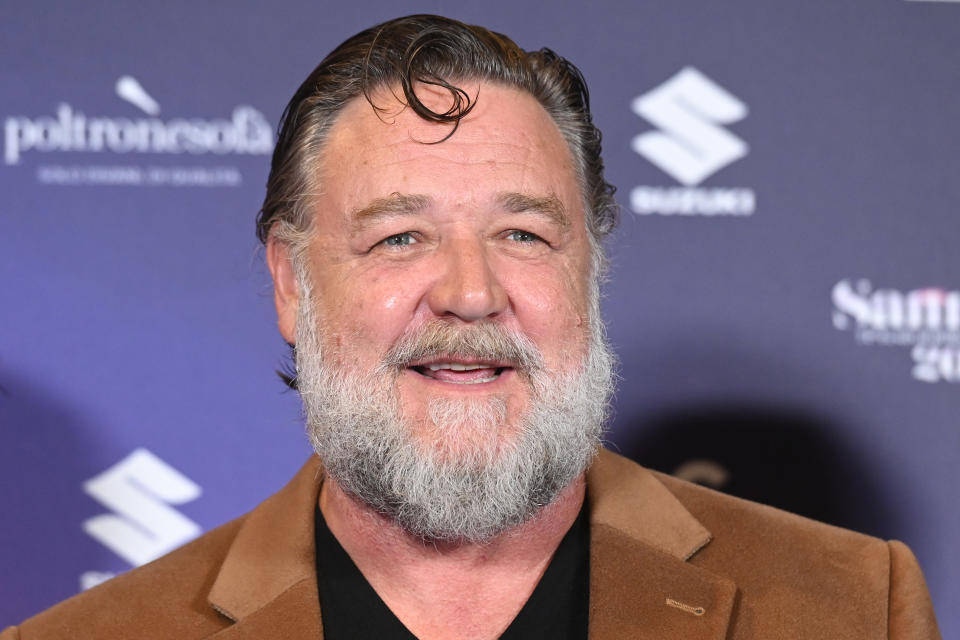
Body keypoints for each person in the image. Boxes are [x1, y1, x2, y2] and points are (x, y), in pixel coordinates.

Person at [2, 14, 941, 640]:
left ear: (590, 271)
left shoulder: (852, 605)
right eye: (400, 235)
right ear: (292, 285)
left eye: (523, 234)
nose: (470, 292)